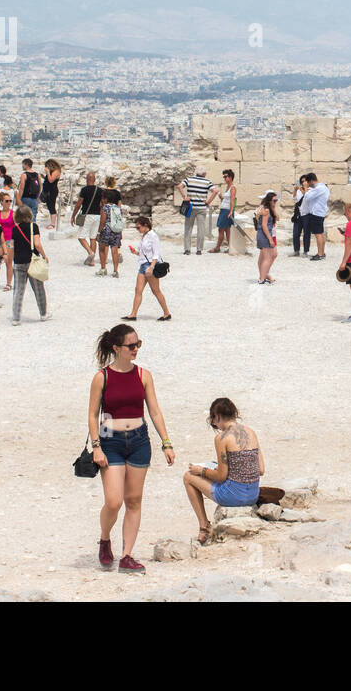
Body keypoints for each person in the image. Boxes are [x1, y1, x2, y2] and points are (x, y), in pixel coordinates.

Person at [88, 323, 176, 573]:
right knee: (114, 501)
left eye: (138, 344)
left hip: (139, 440)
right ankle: (105, 539)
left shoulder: (143, 375)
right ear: (116, 348)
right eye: (131, 345)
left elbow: (155, 411)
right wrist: (97, 447)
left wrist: (166, 443)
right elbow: (93, 415)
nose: (136, 349)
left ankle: (127, 555)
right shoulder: (101, 377)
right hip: (110, 441)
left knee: (134, 500)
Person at [182, 398, 264, 546]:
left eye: (214, 421)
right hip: (252, 494)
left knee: (188, 477)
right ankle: (204, 526)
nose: (215, 425)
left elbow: (221, 477)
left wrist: (201, 470)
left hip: (233, 496)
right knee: (213, 467)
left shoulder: (222, 438)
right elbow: (261, 470)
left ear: (217, 416)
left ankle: (204, 526)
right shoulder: (251, 432)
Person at [124, 216, 170, 321]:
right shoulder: (144, 236)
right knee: (138, 290)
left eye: (138, 227)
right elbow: (142, 253)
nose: (137, 230)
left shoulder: (153, 236)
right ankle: (133, 314)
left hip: (150, 265)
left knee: (156, 291)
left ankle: (167, 313)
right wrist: (135, 252)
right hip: (143, 265)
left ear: (145, 225)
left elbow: (156, 253)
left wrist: (151, 267)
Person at [10, 203, 49, 326]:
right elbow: (37, 244)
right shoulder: (34, 227)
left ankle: (16, 318)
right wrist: (44, 255)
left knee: (18, 291)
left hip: (19, 262)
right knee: (39, 289)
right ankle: (43, 314)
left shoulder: (15, 229)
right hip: (32, 261)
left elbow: (11, 246)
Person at [177, 166, 215, 255]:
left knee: (188, 228)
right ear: (204, 174)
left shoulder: (189, 179)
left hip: (190, 207)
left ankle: (187, 249)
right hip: (201, 208)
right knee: (201, 229)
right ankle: (199, 250)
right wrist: (208, 201)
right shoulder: (207, 181)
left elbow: (179, 186)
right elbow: (215, 191)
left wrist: (184, 197)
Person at [71, 171, 104, 266]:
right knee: (93, 238)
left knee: (81, 237)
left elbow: (79, 204)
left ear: (87, 179)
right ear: (94, 180)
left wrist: (73, 216)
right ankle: (92, 261)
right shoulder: (100, 190)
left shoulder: (84, 190)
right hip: (97, 215)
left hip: (87, 215)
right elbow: (101, 204)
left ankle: (90, 253)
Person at [96, 188, 124, 278]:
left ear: (105, 199)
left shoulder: (105, 208)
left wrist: (98, 233)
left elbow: (102, 222)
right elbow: (120, 221)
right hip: (116, 231)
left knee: (102, 249)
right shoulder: (117, 208)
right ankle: (115, 271)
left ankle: (103, 269)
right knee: (114, 250)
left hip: (106, 230)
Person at [300, 173, 329, 260]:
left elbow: (307, 197)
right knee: (321, 234)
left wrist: (305, 188)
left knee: (318, 234)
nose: (309, 185)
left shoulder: (318, 189)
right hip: (320, 213)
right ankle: (322, 253)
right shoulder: (323, 187)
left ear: (312, 181)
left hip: (316, 213)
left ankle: (320, 254)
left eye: (308, 183)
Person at [208, 169, 237, 254]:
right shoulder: (228, 187)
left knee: (221, 229)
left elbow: (232, 200)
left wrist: (231, 211)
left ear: (230, 177)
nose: (224, 178)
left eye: (226, 176)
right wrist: (220, 196)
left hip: (227, 210)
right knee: (227, 230)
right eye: (223, 176)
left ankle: (217, 248)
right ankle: (230, 247)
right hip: (224, 209)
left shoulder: (232, 188)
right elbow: (226, 200)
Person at [254, 191, 279, 284]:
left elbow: (277, 218)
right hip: (265, 235)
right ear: (269, 200)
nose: (276, 202)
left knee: (263, 257)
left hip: (263, 234)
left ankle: (263, 276)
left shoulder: (267, 209)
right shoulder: (266, 210)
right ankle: (262, 278)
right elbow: (264, 225)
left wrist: (274, 208)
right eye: (274, 200)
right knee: (267, 258)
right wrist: (270, 239)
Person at [0, 193, 16, 291]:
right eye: (6, 201)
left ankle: (8, 283)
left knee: (9, 262)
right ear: (2, 202)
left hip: (10, 240)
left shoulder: (13, 213)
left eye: (10, 201)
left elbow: (17, 227)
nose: (8, 203)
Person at [42, 159, 63, 230]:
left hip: (52, 191)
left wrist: (48, 173)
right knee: (49, 206)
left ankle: (53, 223)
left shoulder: (56, 171)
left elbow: (51, 180)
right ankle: (52, 221)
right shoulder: (52, 172)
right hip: (48, 191)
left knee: (51, 206)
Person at [290, 178, 307, 257]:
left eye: (305, 181)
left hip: (306, 214)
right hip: (298, 214)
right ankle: (296, 250)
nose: (303, 183)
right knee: (296, 233)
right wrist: (296, 190)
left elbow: (307, 197)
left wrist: (303, 189)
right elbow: (294, 198)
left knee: (306, 234)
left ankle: (305, 251)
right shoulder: (299, 190)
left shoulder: (310, 190)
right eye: (302, 181)